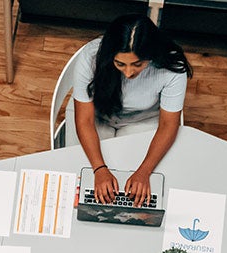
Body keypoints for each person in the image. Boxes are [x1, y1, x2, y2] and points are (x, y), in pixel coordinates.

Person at [68, 14, 192, 206]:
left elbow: (168, 124)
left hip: (142, 119)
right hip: (97, 116)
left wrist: (144, 171)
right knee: (82, 178)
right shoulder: (91, 56)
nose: (128, 72)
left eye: (138, 64)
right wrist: (99, 168)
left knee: (138, 185)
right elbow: (84, 120)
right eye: (120, 64)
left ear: (151, 55)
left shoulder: (171, 67)